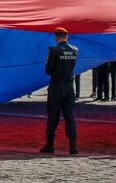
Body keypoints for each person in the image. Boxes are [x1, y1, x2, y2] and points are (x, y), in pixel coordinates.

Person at [40, 27, 78, 155]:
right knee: (69, 116)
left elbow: (48, 71)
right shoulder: (74, 50)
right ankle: (73, 146)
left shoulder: (53, 50)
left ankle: (49, 144)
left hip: (57, 86)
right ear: (66, 37)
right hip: (69, 86)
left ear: (56, 37)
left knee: (53, 116)